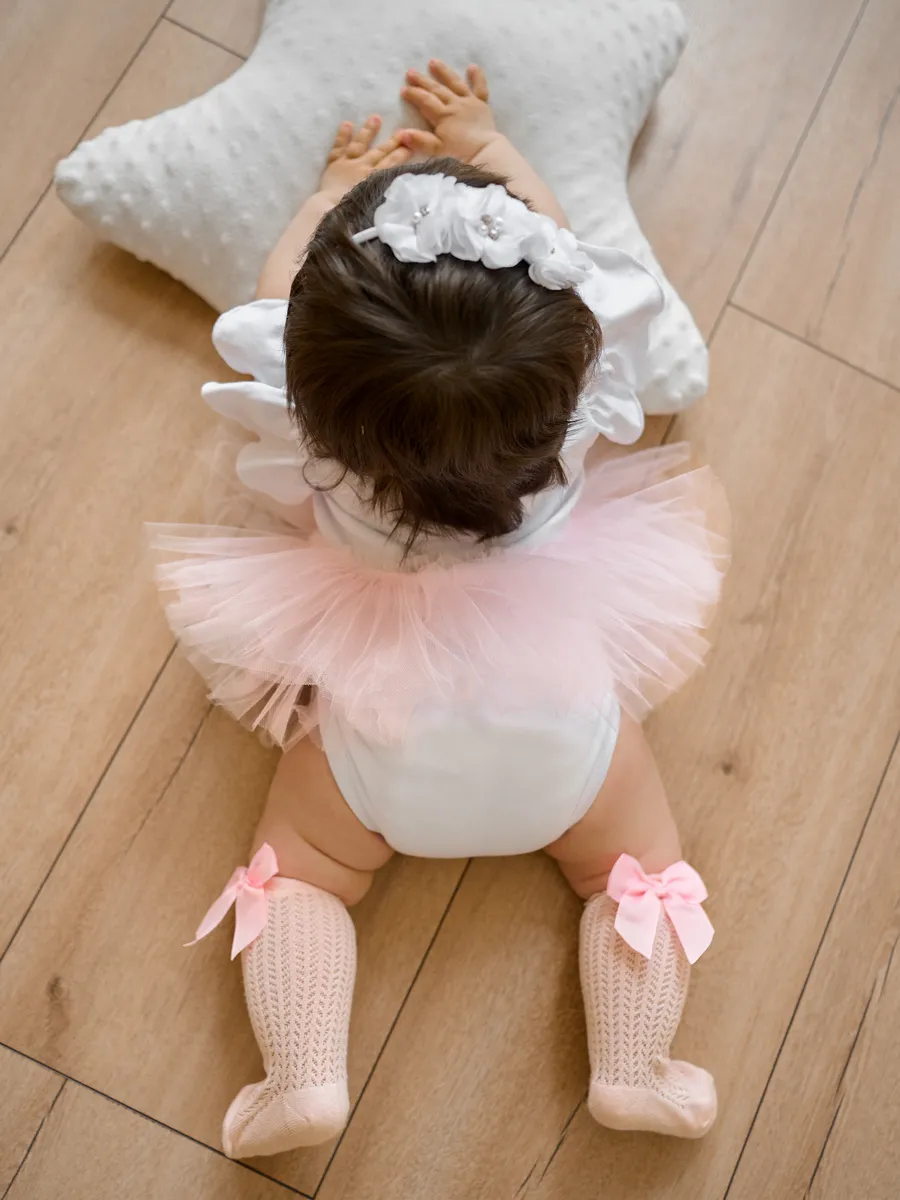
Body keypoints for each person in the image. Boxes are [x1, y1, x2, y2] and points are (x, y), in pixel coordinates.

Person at [154, 60, 726, 1160]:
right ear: (567, 366)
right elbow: (565, 247)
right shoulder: (576, 412)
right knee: (634, 864)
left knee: (304, 868)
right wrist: (491, 145)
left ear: (310, 386)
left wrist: (327, 196)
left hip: (377, 749)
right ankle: (636, 1065)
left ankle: (302, 1077)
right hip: (565, 734)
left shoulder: (309, 442)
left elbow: (274, 298)